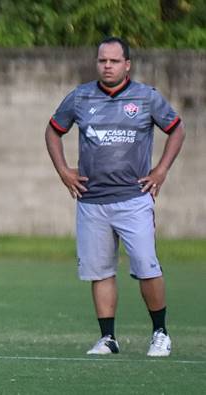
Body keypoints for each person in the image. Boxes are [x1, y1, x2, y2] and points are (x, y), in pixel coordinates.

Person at [45, 37, 185, 357]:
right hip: (92, 201)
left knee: (147, 267)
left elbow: (176, 129)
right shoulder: (80, 97)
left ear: (127, 65)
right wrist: (64, 170)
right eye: (102, 61)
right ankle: (108, 338)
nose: (107, 66)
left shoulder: (146, 97)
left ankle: (160, 333)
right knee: (100, 271)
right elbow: (53, 130)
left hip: (133, 199)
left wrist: (161, 170)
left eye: (113, 61)